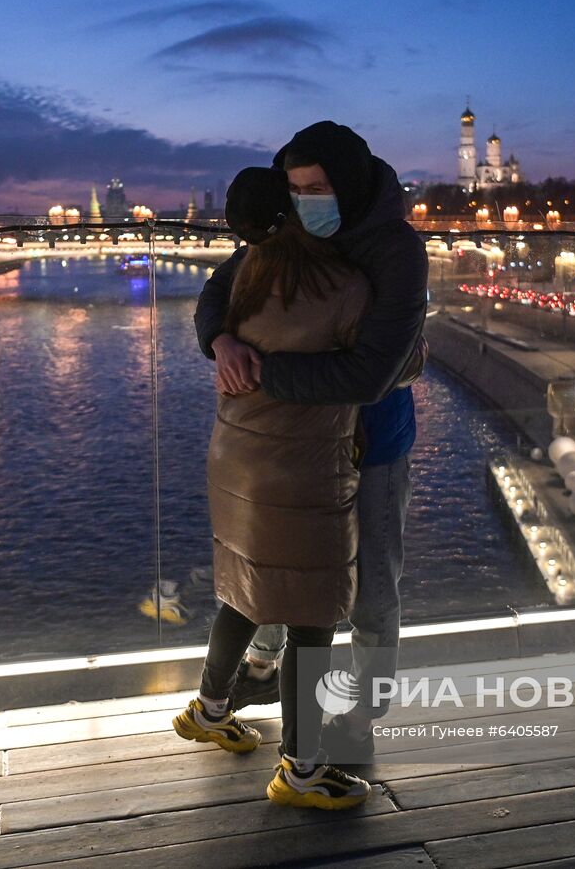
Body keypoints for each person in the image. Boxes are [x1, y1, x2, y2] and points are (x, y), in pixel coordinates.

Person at [193, 122, 428, 762]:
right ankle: (268, 677)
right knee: (291, 571)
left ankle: (363, 714)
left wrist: (259, 374)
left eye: (317, 188)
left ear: (347, 184)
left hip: (372, 443)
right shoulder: (294, 229)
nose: (305, 202)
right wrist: (222, 342)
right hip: (303, 447)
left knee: (372, 589)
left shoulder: (397, 251)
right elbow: (219, 290)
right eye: (295, 190)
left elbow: (372, 374)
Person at [172, 166, 372, 809]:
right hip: (304, 466)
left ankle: (208, 708)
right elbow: (378, 370)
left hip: (234, 458)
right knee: (313, 615)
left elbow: (211, 311)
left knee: (245, 587)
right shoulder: (343, 286)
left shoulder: (243, 277)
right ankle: (302, 768)